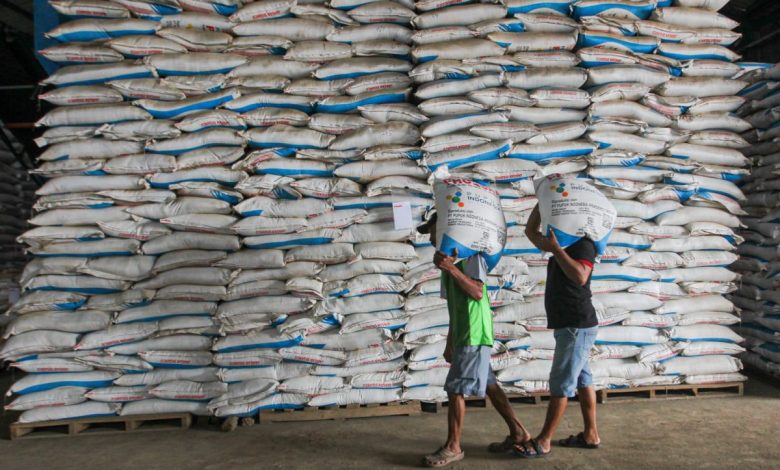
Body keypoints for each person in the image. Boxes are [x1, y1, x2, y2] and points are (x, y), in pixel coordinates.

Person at [419, 213, 531, 468]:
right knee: (490, 384)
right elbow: (454, 308)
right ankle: (519, 433)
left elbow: (477, 291)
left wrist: (449, 268)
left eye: (433, 230)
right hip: (463, 333)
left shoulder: (472, 258)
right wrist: (450, 340)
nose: (431, 237)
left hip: (475, 332)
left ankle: (453, 447)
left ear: (448, 229)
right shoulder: (447, 264)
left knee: (456, 388)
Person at [515, 204, 602, 458]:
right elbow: (531, 233)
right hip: (570, 323)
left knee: (561, 383)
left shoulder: (583, 244)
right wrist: (542, 204)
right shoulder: (562, 242)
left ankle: (544, 441)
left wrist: (556, 250)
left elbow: (580, 275)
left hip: (577, 323)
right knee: (583, 379)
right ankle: (590, 434)